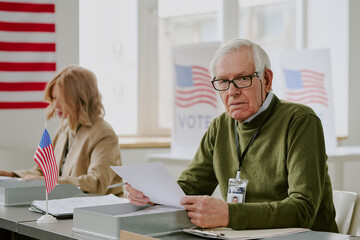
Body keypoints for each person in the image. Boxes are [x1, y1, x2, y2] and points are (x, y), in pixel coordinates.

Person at [126, 38, 338, 232]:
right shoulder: (220, 126)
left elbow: (303, 210)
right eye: (223, 82)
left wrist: (228, 214)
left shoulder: (300, 120)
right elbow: (188, 189)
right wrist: (150, 194)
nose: (232, 91)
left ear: (266, 79)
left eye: (243, 78)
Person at [0, 65, 123, 196]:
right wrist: (10, 175)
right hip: (68, 205)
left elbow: (97, 183)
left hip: (97, 210)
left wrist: (50, 181)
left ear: (80, 99)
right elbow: (45, 171)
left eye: (62, 99)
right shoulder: (65, 128)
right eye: (54, 98)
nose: (55, 105)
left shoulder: (104, 134)